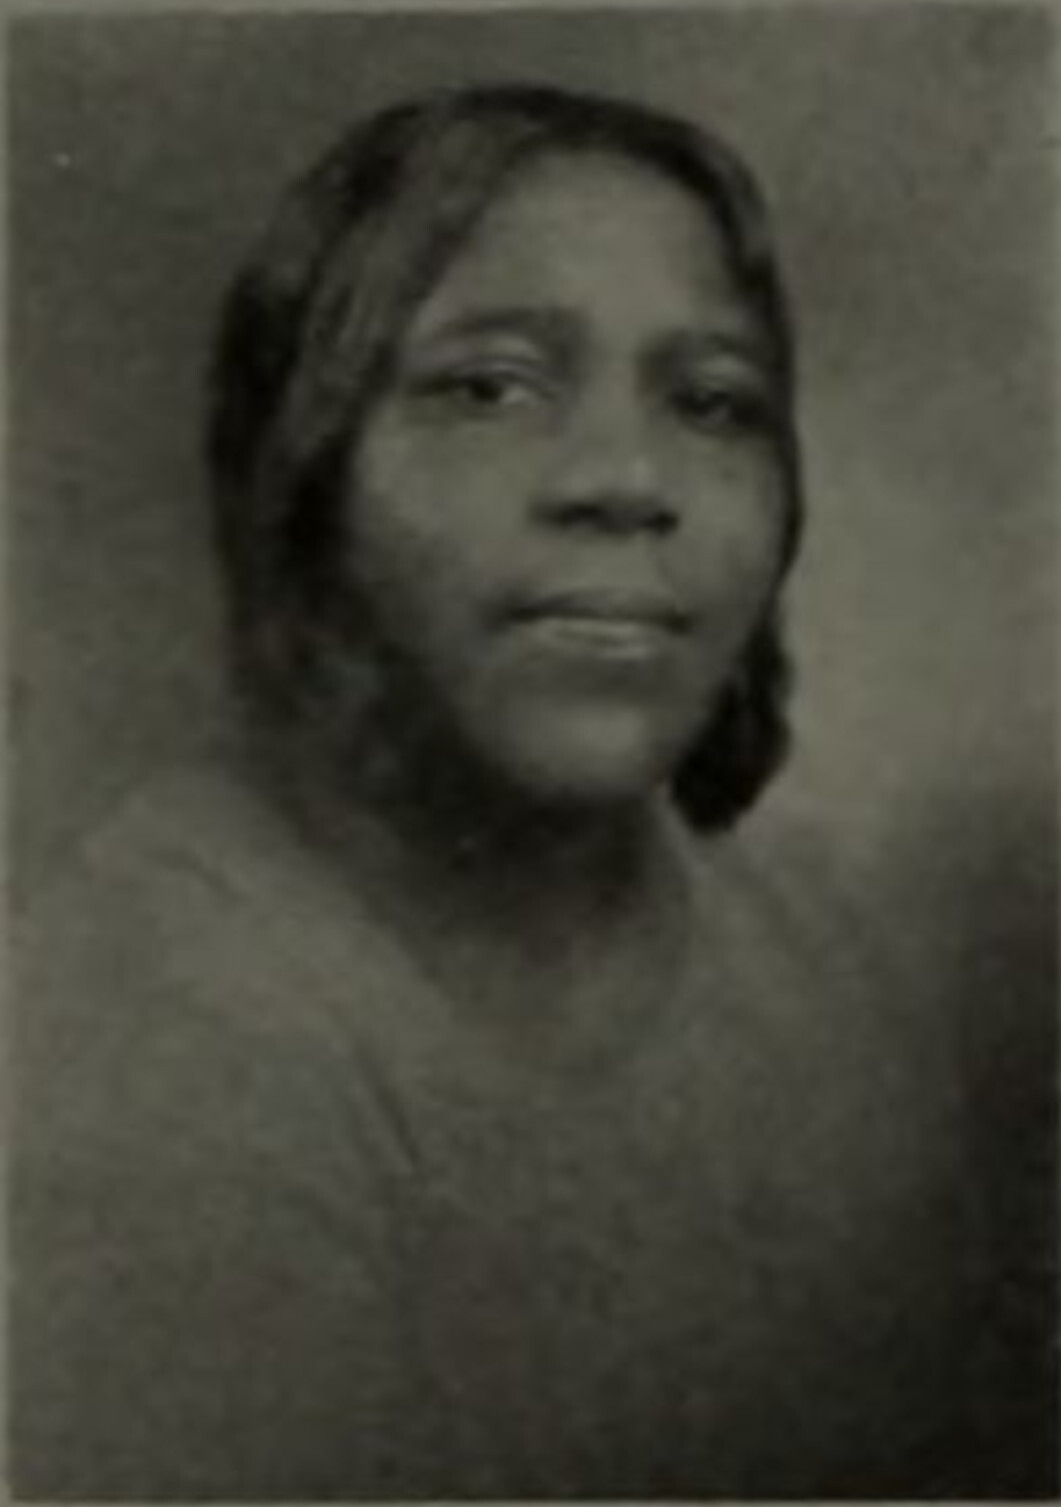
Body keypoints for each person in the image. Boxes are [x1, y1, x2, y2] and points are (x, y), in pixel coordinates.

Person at [9, 82, 1049, 1500]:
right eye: (487, 386)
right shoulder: (145, 1034)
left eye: (712, 402)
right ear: (309, 477)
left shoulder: (825, 964)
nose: (626, 478)